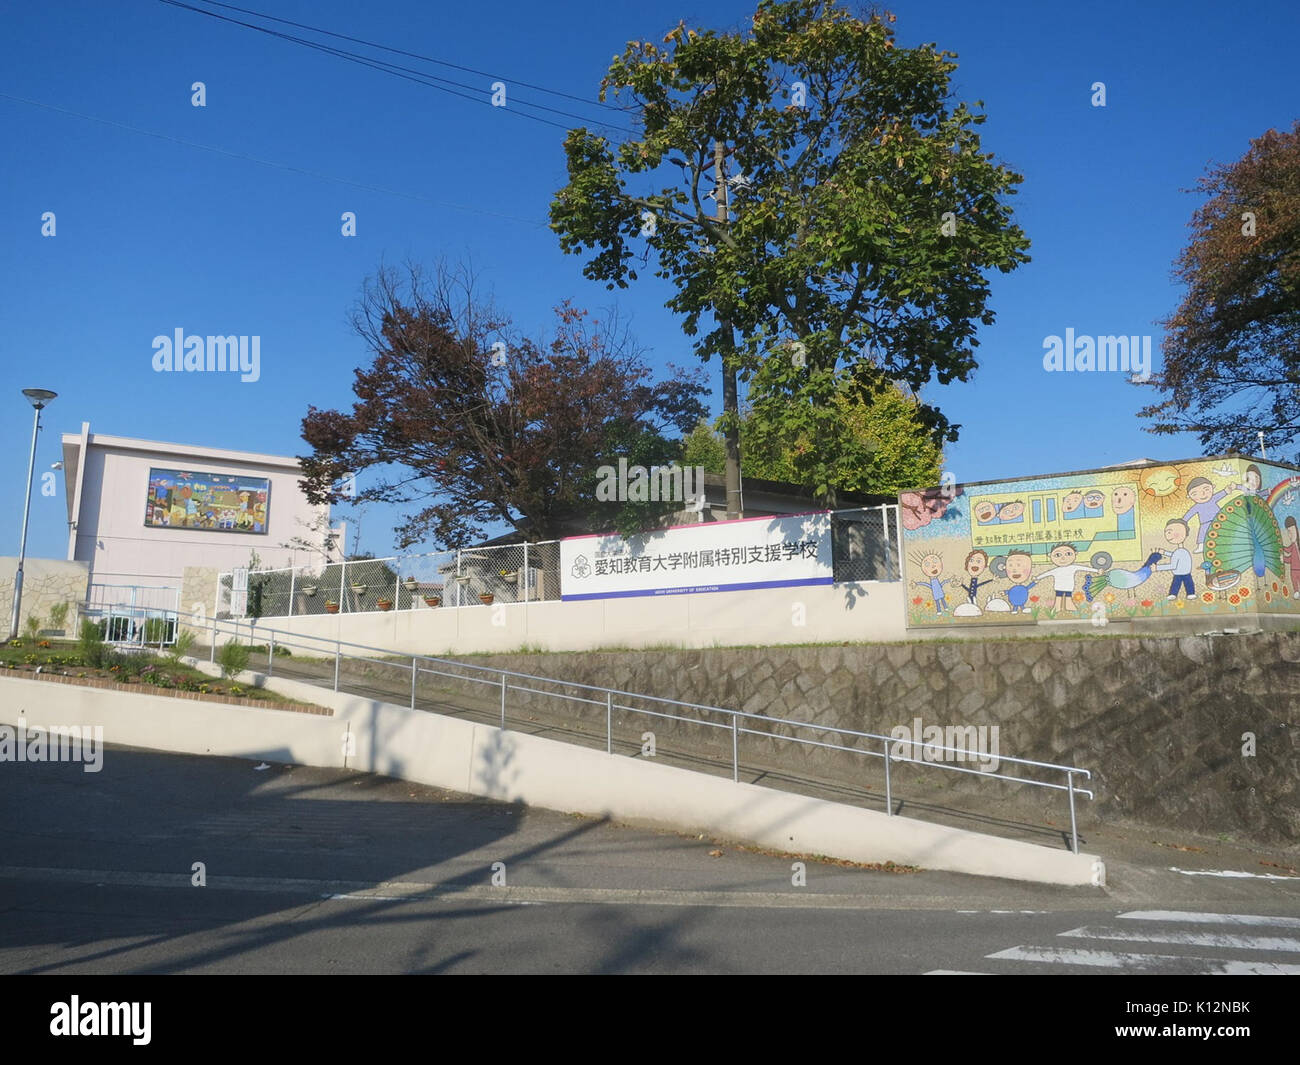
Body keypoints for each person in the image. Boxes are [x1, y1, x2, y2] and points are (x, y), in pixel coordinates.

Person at [1156, 519, 1195, 600]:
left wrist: (1157, 568)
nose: (1167, 535)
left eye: (1169, 532)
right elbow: (1174, 555)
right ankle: (1181, 593)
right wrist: (1164, 552)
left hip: (1181, 572)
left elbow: (1173, 565)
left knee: (1184, 583)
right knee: (1179, 583)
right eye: (1167, 532)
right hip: (1182, 572)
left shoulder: (1180, 552)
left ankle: (1188, 593)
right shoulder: (1180, 551)